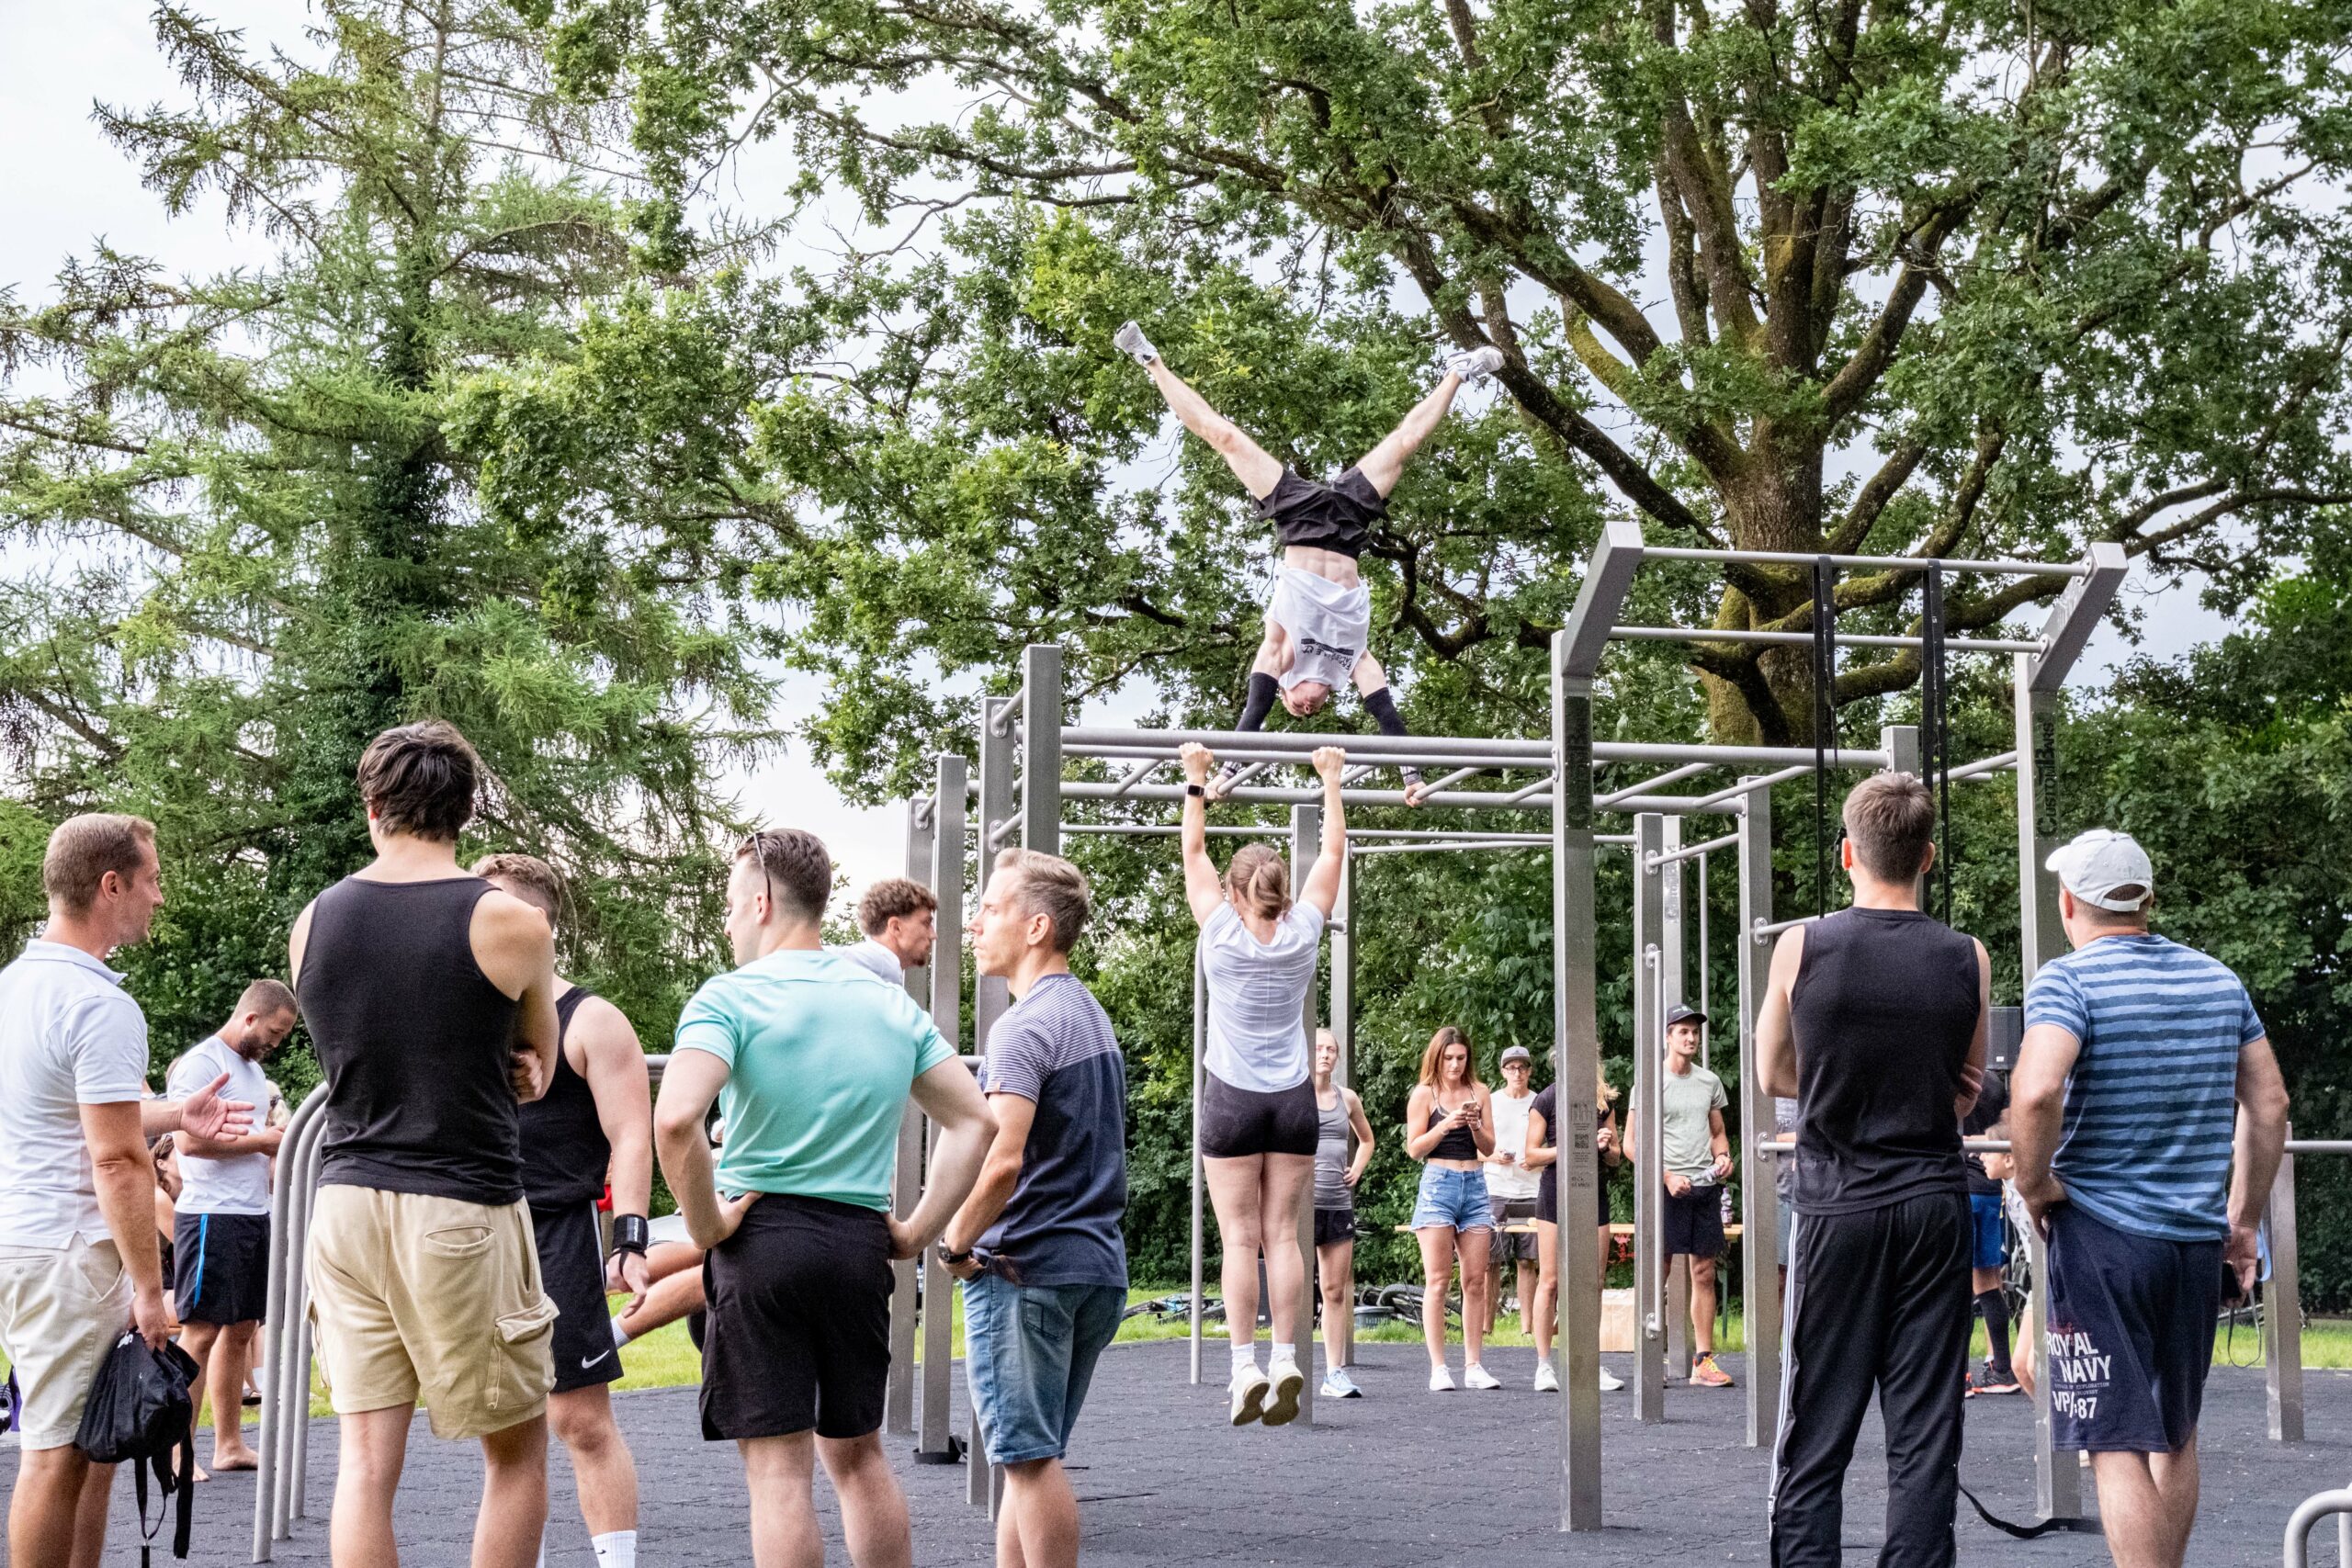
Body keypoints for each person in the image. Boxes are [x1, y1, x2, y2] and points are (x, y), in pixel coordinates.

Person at [654, 825, 996, 1568]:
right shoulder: (888, 1005)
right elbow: (976, 1119)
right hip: (857, 1245)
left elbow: (677, 1117)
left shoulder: (730, 996)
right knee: (861, 1455)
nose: (728, 920)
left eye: (731, 903)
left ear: (763, 899)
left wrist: (708, 1223)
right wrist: (913, 1232)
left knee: (779, 1472)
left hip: (762, 1241)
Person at [289, 721, 564, 1568]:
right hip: (460, 1203)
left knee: (367, 1466)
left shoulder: (314, 919)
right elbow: (540, 1065)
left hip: (342, 1203)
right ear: (467, 809)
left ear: (373, 806)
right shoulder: (509, 922)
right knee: (515, 1453)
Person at [2009, 829, 2290, 1568]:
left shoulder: (2067, 981)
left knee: (2112, 1438)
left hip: (2101, 1235)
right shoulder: (2217, 980)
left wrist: (2034, 1182)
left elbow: (2036, 1089)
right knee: (2176, 1430)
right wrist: (2245, 1218)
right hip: (2195, 1240)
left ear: (2070, 902)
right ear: (2146, 900)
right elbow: (2270, 1103)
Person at [0, 813, 253, 1568]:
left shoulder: (18, 985)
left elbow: (76, 1109)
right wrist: (151, 1286)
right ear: (111, 885)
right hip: (73, 1251)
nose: (160, 897)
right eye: (151, 880)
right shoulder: (100, 1003)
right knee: (56, 1455)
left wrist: (177, 1111)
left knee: (95, 1444)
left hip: (35, 1239)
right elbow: (116, 1159)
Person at [1114, 320, 1507, 805]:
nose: (1304, 709)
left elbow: (1253, 714)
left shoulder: (1281, 654)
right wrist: (1411, 776)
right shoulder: (1351, 663)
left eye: (1295, 711)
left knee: (1225, 437)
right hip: (1347, 529)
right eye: (1311, 713)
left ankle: (1151, 360)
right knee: (1405, 444)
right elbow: (1387, 713)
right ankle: (1459, 372)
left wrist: (1227, 771)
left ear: (1285, 690)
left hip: (1298, 521)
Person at [1757, 772, 1990, 1568]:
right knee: (1927, 1431)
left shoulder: (1804, 944)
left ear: (1848, 852)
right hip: (1932, 1202)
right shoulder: (1970, 955)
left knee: (1816, 1426)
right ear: (1927, 855)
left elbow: (1771, 1073)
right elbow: (1969, 1084)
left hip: (1837, 1205)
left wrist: (1836, 1083)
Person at [938, 848, 1127, 1568]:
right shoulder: (1090, 1016)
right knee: (1026, 1460)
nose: (977, 921)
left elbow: (1004, 1159)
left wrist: (953, 1243)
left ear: (1037, 926)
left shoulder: (1021, 1028)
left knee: (1028, 1461)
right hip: (1092, 1268)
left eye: (991, 907)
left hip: (1024, 1272)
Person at [471, 853, 655, 1568]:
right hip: (474, 1233)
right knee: (505, 1430)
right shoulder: (468, 1020)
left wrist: (630, 1237)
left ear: (534, 924)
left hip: (555, 1233)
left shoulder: (592, 1019)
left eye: (490, 912)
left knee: (578, 1419)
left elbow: (633, 1135)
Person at [1177, 739, 1345, 1426]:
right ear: (1277, 891)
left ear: (1237, 891)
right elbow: (1332, 854)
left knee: (1239, 1235)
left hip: (1234, 1100)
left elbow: (1192, 854)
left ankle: (1244, 1364)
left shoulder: (1220, 932)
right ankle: (1286, 1357)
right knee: (1283, 1235)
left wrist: (1196, 778)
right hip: (1295, 1101)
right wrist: (1331, 780)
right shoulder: (1304, 931)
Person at [165, 978, 300, 1479]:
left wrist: (272, 1148)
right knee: (199, 1333)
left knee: (242, 1330)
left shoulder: (253, 1070)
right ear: (250, 1018)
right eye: (275, 1031)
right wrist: (263, 1141)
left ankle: (228, 1445)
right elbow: (187, 1142)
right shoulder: (203, 1063)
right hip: (210, 1214)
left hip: (251, 1213)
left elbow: (253, 1142)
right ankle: (179, 1449)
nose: (277, 1042)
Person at [1625, 1005, 1736, 1388]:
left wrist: (1723, 1156)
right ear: (1667, 1037)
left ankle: (1703, 1361)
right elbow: (1631, 1145)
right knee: (1659, 1272)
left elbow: (1717, 1132)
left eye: (1695, 1033)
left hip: (1703, 1186)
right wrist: (1666, 1175)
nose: (1691, 1038)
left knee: (1704, 1272)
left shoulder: (1709, 1081)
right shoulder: (1650, 1083)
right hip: (1666, 1187)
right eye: (1683, 1032)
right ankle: (1650, 1358)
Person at [1404, 1026, 1498, 1393]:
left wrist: (1474, 1124)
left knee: (1475, 1281)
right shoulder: (1424, 1094)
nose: (1455, 1065)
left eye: (1461, 1058)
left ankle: (1473, 1364)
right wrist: (1445, 1124)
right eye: (1448, 1058)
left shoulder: (1481, 1092)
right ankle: (1438, 1367)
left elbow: (1489, 1147)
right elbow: (1415, 1149)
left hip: (1474, 1185)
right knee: (1438, 1281)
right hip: (1438, 1185)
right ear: (1437, 1058)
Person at [1525, 1065, 1625, 1393]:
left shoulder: (1602, 1101)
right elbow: (1531, 1154)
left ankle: (1589, 1361)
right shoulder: (1547, 1098)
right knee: (1550, 1280)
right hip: (1555, 1194)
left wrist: (1607, 1145)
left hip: (1592, 1193)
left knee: (1593, 1282)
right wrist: (1571, 1148)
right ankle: (1544, 1365)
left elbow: (1615, 1158)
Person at [1308, 1028, 1374, 1398]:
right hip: (1300, 1207)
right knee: (1296, 1291)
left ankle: (1334, 1373)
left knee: (1334, 1290)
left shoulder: (1347, 1098)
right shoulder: (1295, 1094)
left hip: (1337, 1203)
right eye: (1318, 1048)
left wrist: (1358, 1167)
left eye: (1331, 1049)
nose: (1325, 1054)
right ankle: (1285, 1366)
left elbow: (1367, 1139)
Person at [1960, 1070, 2018, 1397]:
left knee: (1957, 1285)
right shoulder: (1995, 1083)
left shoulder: (1956, 1078)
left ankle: (1960, 1376)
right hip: (1991, 1189)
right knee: (1988, 1281)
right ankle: (2002, 1369)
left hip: (1962, 1186)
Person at [1483, 1044, 1543, 1337]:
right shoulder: (1491, 1102)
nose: (1517, 1073)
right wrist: (1492, 1156)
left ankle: (1527, 1328)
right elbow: (1474, 1145)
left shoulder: (1539, 1102)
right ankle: (1486, 1327)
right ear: (1502, 1071)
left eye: (1522, 1067)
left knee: (1527, 1260)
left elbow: (1548, 1144)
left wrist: (1537, 1158)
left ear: (1530, 1070)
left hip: (1532, 1189)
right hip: (1496, 1188)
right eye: (1511, 1067)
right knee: (1490, 1261)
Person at [839, 877, 939, 987]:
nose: (933, 935)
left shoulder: (874, 968)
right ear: (896, 927)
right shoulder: (882, 962)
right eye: (926, 923)